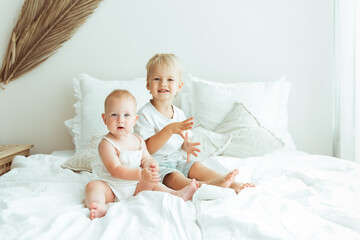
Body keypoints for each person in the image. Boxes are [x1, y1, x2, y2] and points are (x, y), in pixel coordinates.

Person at [134, 53, 255, 194]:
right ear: (148, 84)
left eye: (170, 79)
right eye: (157, 79)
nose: (163, 83)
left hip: (179, 162)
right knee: (175, 177)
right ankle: (208, 186)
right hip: (157, 166)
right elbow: (146, 149)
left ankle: (229, 182)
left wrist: (187, 146)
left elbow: (183, 141)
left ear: (179, 86)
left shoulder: (179, 114)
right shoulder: (145, 114)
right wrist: (169, 130)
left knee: (197, 167)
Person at [85, 89, 198, 220]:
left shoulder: (138, 140)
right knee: (93, 187)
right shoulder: (106, 143)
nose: (121, 120)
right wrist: (140, 174)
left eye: (127, 115)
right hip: (110, 187)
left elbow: (146, 158)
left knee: (154, 183)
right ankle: (99, 207)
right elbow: (115, 169)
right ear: (104, 119)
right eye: (114, 115)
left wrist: (151, 164)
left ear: (135, 119)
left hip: (134, 187)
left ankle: (176, 194)